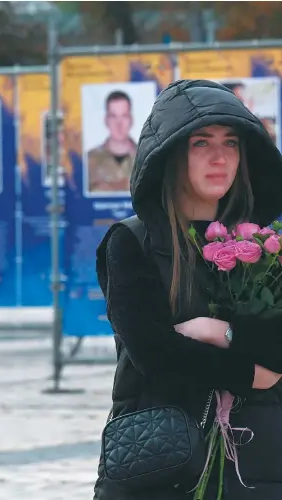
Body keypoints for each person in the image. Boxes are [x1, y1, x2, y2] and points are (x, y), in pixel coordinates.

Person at [94, 79, 282, 499]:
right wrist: (250, 371)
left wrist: (221, 332)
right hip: (162, 463)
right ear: (172, 154)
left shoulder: (265, 246)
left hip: (259, 466)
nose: (219, 158)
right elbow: (154, 354)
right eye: (201, 143)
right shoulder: (132, 241)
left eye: (231, 143)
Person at [87, 91, 137, 193]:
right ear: (106, 120)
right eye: (113, 116)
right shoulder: (89, 160)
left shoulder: (148, 158)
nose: (119, 124)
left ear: (131, 120)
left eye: (124, 116)